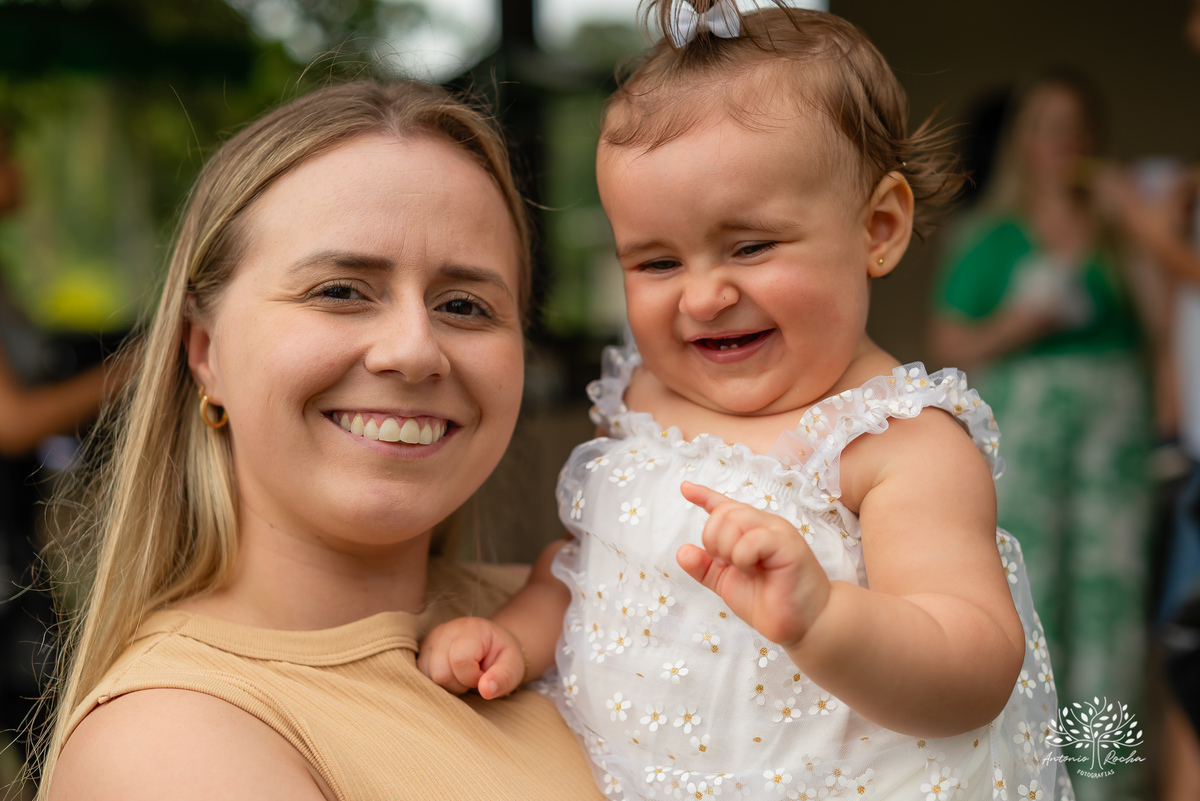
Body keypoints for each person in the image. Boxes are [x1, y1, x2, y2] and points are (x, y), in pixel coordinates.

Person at [419, 3, 1072, 799]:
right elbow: (579, 568)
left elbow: (971, 663)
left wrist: (824, 618)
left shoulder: (899, 442)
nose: (703, 295)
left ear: (879, 228)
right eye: (656, 262)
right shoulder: (638, 398)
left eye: (751, 246)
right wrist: (513, 638)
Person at [39, 79, 606, 801]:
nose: (414, 350)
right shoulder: (170, 743)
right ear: (205, 352)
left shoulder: (570, 610)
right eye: (340, 290)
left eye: (464, 305)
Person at [929, 67, 1151, 726]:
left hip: (1114, 435)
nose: (1068, 143)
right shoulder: (992, 233)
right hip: (1025, 431)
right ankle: (1033, 774)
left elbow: (1162, 329)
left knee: (1113, 598)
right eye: (1051, 128)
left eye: (1080, 129)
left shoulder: (1119, 228)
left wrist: (1141, 228)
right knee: (1032, 591)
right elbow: (947, 342)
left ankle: (1107, 775)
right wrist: (1022, 324)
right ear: (1025, 141)